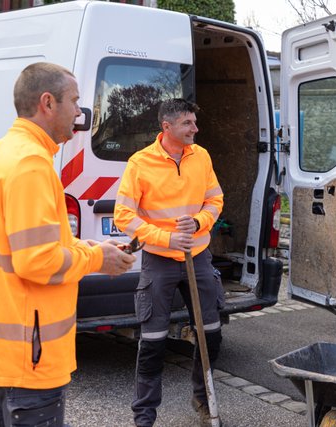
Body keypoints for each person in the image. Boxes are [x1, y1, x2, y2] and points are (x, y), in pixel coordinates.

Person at [0, 62, 136, 427]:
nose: (80, 111)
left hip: (10, 347)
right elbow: (36, 262)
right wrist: (95, 258)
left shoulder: (14, 150)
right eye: (73, 101)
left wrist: (79, 244)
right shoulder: (31, 164)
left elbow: (30, 245)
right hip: (30, 354)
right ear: (47, 102)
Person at [114, 98, 224, 427]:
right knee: (153, 342)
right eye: (188, 123)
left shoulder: (200, 156)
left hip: (198, 258)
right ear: (167, 127)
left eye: (194, 122)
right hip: (159, 261)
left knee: (212, 334)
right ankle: (144, 417)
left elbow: (215, 199)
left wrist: (201, 221)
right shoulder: (140, 163)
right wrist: (165, 238)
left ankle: (204, 401)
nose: (195, 128)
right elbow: (123, 215)